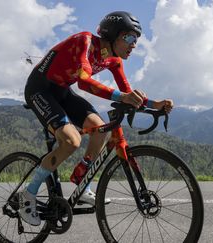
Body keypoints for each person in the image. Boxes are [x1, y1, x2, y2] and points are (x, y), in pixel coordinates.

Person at [20, 11, 173, 226]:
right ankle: (27, 195)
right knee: (72, 141)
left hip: (63, 90)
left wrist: (153, 104)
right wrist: (124, 97)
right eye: (129, 37)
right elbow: (83, 81)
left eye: (136, 40)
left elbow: (126, 93)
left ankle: (82, 179)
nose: (134, 44)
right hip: (40, 88)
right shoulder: (84, 41)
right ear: (113, 35)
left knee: (102, 129)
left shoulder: (114, 60)